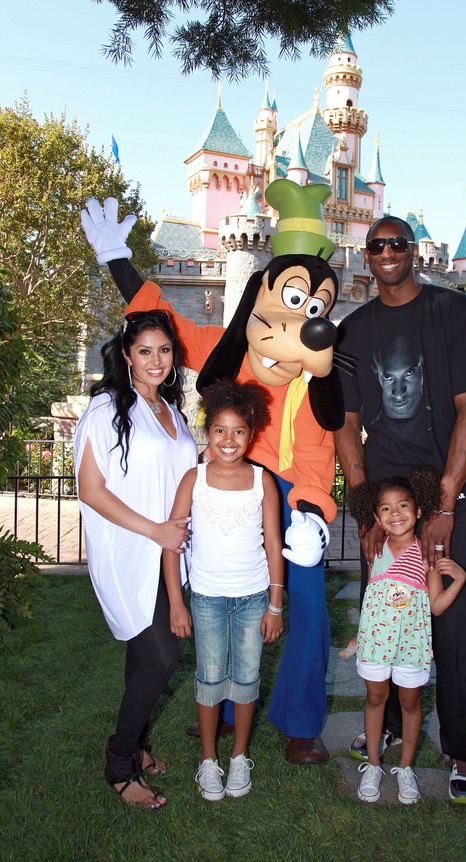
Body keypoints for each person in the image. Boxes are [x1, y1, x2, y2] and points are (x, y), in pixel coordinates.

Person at [81, 190, 342, 765]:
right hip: (233, 481)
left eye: (314, 308)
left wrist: (317, 507)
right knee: (222, 590)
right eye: (292, 300)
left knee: (305, 603)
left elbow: (324, 447)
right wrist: (116, 258)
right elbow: (163, 328)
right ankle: (224, 706)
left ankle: (300, 723)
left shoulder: (322, 382)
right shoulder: (234, 350)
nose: (300, 322)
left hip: (293, 497)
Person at [334, 215, 466, 804]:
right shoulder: (351, 333)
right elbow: (346, 425)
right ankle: (379, 736)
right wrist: (364, 514)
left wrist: (448, 503)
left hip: (440, 501)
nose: (386, 252)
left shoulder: (453, 313)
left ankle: (464, 750)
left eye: (397, 244)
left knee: (453, 627)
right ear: (365, 255)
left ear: (413, 252)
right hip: (386, 508)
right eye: (375, 245)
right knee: (382, 618)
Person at [74, 310, 197, 809]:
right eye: (144, 351)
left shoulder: (172, 411)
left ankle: (140, 747)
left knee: (144, 657)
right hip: (129, 551)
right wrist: (155, 531)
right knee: (162, 658)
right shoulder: (105, 410)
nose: (156, 360)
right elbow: (90, 489)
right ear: (126, 356)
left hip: (171, 557)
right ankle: (119, 761)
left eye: (164, 351)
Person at [162, 380, 284, 801]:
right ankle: (208, 760)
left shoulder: (261, 481)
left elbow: (273, 545)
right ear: (207, 431)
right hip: (208, 600)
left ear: (251, 435)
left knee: (247, 679)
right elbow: (172, 544)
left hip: (253, 600)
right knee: (210, 679)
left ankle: (238, 757)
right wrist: (177, 603)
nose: (228, 440)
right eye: (219, 430)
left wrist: (275, 604)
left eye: (238, 431)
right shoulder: (192, 480)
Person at [349, 469, 466, 805]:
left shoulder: (427, 555)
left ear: (418, 511)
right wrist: (360, 637)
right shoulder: (375, 551)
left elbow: (437, 606)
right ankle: (373, 765)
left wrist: (458, 579)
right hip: (375, 645)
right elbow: (372, 599)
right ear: (376, 517)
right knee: (375, 699)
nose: (395, 513)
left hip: (411, 647)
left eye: (403, 505)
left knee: (409, 703)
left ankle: (405, 768)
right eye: (385, 508)